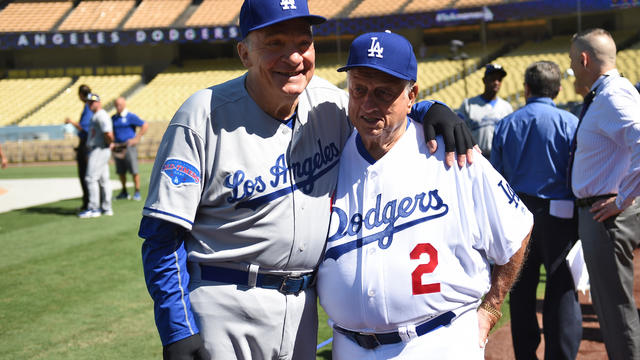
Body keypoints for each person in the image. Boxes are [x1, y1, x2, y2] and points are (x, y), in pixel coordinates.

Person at [137, 1, 476, 359]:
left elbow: (379, 109)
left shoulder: (329, 104)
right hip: (225, 302)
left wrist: (428, 108)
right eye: (275, 43)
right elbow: (163, 237)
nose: (294, 57)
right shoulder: (202, 115)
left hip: (302, 309)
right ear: (244, 53)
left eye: (303, 43)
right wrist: (178, 330)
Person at [316, 31, 533, 359]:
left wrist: (491, 308)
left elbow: (516, 230)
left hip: (438, 341)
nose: (368, 104)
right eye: (359, 90)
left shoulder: (452, 155)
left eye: (384, 93)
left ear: (411, 95)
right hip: (349, 347)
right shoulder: (329, 154)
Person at [491, 61, 582, 360]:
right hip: (561, 216)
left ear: (526, 89)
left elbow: (497, 177)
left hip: (518, 217)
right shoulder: (570, 123)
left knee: (520, 293)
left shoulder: (507, 123)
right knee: (562, 292)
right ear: (557, 89)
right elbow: (578, 176)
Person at [568, 28, 640, 360]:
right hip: (602, 212)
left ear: (585, 59)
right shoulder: (608, 93)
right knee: (612, 308)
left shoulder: (612, 95)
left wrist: (622, 199)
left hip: (606, 215)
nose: (571, 69)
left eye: (573, 62)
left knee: (615, 311)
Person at [457, 63, 513, 158]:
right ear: (484, 80)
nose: (496, 82)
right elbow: (459, 132)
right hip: (476, 158)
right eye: (493, 78)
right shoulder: (468, 104)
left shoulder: (507, 107)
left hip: (500, 158)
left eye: (499, 79)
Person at [78, 93, 114, 218]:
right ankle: (106, 207)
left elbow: (108, 133)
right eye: (89, 102)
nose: (90, 104)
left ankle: (94, 208)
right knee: (104, 180)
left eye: (93, 102)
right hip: (100, 148)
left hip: (99, 149)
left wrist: (109, 144)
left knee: (90, 178)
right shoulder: (96, 116)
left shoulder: (101, 115)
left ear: (99, 102)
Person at [111, 97, 148, 201]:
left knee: (134, 170)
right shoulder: (113, 118)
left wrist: (137, 138)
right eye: (116, 105)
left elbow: (144, 125)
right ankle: (124, 191)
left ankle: (137, 191)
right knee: (120, 171)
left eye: (120, 104)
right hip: (118, 147)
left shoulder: (130, 116)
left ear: (124, 104)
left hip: (129, 147)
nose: (118, 107)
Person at [64, 84, 94, 211]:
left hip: (86, 145)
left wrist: (71, 122)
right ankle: (90, 202)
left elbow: (84, 128)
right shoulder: (89, 107)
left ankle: (89, 203)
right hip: (88, 144)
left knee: (85, 175)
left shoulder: (88, 107)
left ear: (81, 95)